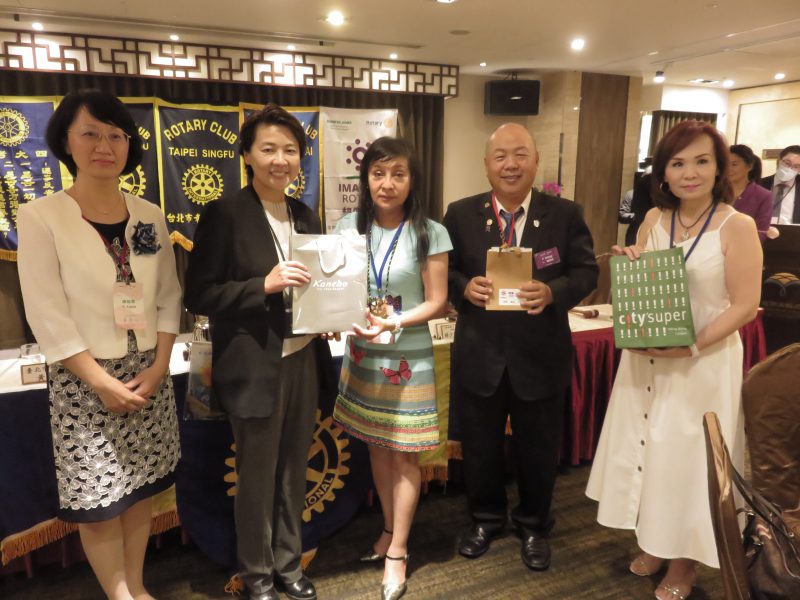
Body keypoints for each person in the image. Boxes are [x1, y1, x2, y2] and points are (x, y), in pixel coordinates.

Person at [586, 120, 762, 600]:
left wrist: (693, 345)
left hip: (703, 362)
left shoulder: (736, 225)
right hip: (648, 358)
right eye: (678, 163)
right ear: (662, 172)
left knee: (690, 461)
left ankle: (686, 561)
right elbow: (647, 284)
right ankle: (656, 542)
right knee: (652, 451)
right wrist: (631, 265)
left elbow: (746, 306)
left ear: (720, 167)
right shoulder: (653, 220)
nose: (690, 173)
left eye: (702, 161)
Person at [17, 89, 182, 600]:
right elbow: (46, 312)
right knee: (100, 499)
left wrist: (159, 366)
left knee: (140, 487)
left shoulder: (149, 214)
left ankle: (138, 585)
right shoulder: (42, 216)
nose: (104, 146)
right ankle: (119, 595)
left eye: (116, 135)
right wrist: (101, 382)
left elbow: (168, 295)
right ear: (66, 141)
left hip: (148, 373)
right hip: (84, 380)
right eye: (90, 133)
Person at [184, 105, 330, 600]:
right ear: (247, 155)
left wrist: (330, 312)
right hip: (254, 364)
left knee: (294, 471)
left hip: (303, 357)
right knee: (257, 476)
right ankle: (257, 574)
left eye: (290, 150)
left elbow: (317, 286)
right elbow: (199, 294)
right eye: (268, 149)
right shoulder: (225, 213)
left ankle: (289, 564)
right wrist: (261, 285)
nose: (280, 160)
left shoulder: (305, 214)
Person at [442, 123, 598, 571]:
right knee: (481, 448)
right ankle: (485, 520)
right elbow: (442, 270)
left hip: (540, 355)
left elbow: (586, 271)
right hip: (480, 355)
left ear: (535, 160)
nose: (510, 164)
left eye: (520, 154)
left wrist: (553, 292)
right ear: (486, 164)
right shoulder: (460, 213)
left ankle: (533, 525)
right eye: (500, 156)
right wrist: (462, 287)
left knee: (538, 450)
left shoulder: (564, 214)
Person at [333, 137, 451, 600]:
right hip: (364, 354)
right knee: (378, 449)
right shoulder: (349, 227)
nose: (387, 183)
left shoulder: (430, 232)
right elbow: (335, 287)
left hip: (408, 357)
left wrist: (395, 320)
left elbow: (437, 301)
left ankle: (398, 550)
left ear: (412, 180)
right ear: (365, 179)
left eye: (398, 174)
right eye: (378, 173)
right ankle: (386, 529)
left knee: (404, 454)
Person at [728, 144, 772, 240]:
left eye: (734, 164)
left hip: (745, 246)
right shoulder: (715, 192)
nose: (728, 169)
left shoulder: (763, 195)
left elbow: (761, 232)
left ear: (749, 166)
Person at [759, 145, 800, 224]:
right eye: (787, 163)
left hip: (792, 231)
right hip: (761, 230)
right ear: (778, 161)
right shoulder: (760, 184)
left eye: (796, 166)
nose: (790, 168)